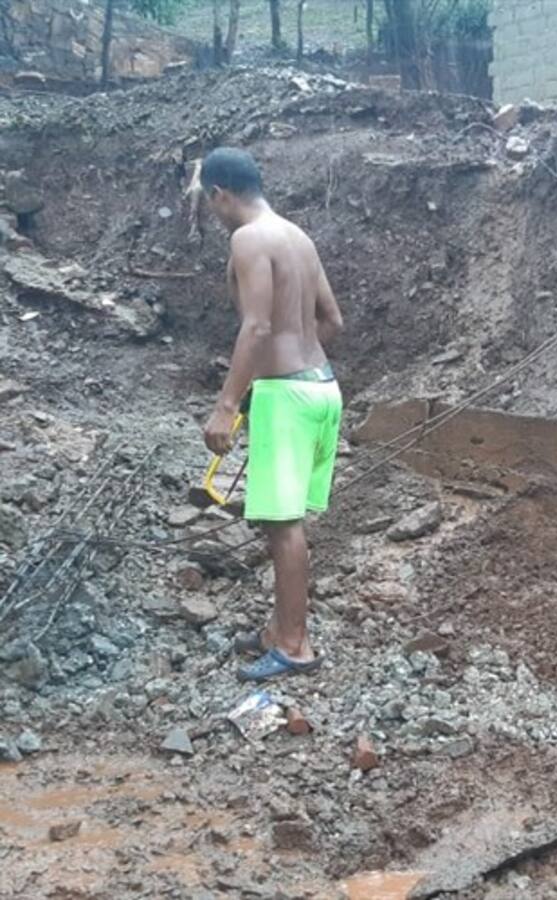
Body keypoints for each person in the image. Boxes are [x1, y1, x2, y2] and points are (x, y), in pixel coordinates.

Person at [199, 147, 345, 682]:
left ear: (220, 194)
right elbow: (331, 320)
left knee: (283, 527)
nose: (209, 210)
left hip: (289, 396)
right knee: (284, 521)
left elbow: (256, 327)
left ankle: (293, 647)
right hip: (322, 388)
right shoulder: (297, 237)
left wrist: (228, 403)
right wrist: (295, 368)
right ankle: (279, 629)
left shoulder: (248, 238)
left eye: (207, 200)